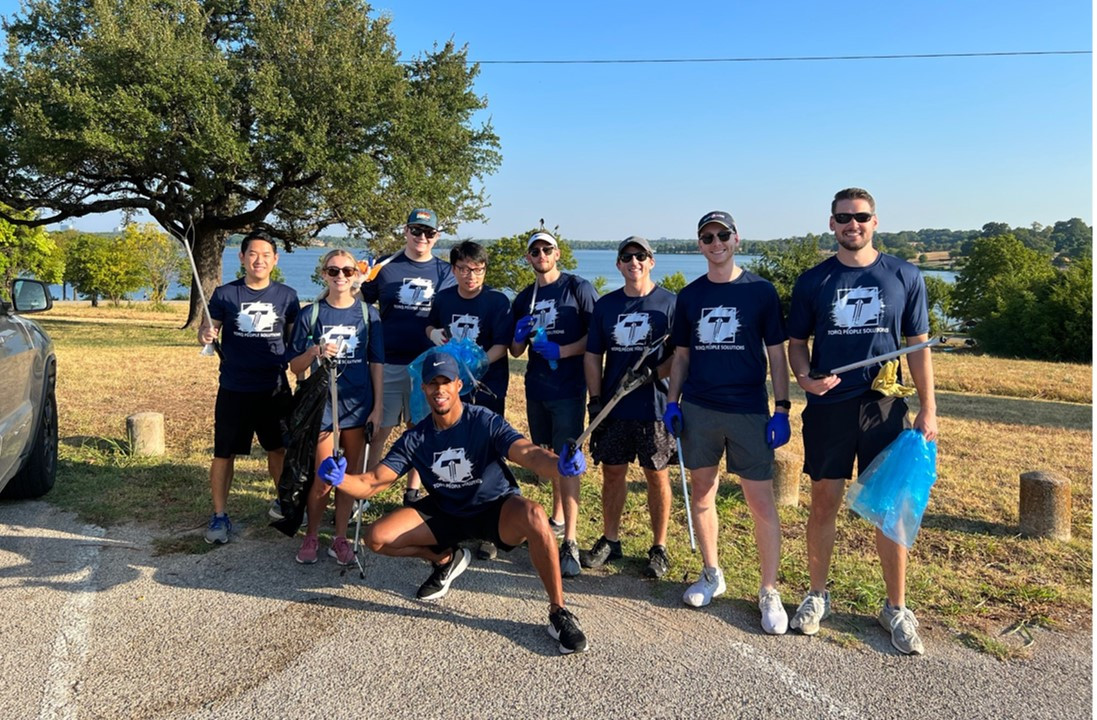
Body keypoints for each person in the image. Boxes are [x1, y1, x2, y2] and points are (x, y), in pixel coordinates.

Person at [315, 351, 591, 654]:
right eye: (432, 383)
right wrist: (340, 479)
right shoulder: (416, 438)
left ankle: (558, 612)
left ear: (459, 385)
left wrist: (559, 464)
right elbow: (372, 482)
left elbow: (528, 454)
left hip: (493, 507)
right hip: (446, 509)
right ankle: (446, 559)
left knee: (536, 515)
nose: (439, 389)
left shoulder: (483, 420)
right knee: (376, 538)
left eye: (446, 381)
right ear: (423, 389)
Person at [786, 187, 937, 655]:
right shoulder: (814, 281)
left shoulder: (904, 275)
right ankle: (816, 595)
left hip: (885, 408)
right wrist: (805, 379)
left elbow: (919, 346)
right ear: (831, 224)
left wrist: (930, 409)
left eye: (862, 217)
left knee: (890, 510)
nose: (853, 225)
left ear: (875, 221)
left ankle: (895, 607)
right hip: (829, 408)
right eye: (844, 218)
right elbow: (796, 343)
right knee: (824, 501)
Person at [662, 211, 792, 635]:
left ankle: (768, 590)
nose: (715, 242)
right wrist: (672, 401)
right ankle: (712, 573)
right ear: (699, 245)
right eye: (707, 237)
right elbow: (681, 355)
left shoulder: (760, 291)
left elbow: (776, 352)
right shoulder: (690, 296)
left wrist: (783, 407)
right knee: (702, 492)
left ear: (737, 239)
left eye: (722, 235)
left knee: (760, 502)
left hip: (749, 410)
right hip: (699, 407)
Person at [581, 236, 677, 578]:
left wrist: (654, 373)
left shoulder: (669, 304)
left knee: (657, 476)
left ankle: (659, 547)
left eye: (641, 256)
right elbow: (593, 356)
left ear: (651, 261)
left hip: (654, 406)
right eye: (627, 257)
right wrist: (595, 401)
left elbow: (680, 355)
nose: (634, 262)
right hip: (614, 408)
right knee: (612, 473)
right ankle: (611, 539)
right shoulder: (606, 307)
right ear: (618, 265)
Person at [199, 229, 300, 544]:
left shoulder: (287, 296)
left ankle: (283, 503)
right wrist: (205, 334)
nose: (259, 259)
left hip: (274, 387)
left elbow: (293, 340)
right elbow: (208, 330)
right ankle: (219, 516)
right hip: (234, 387)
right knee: (224, 453)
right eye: (253, 254)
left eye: (266, 255)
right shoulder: (225, 295)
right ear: (242, 257)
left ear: (275, 260)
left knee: (279, 449)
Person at [509, 230, 598, 578]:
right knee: (547, 456)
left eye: (547, 249)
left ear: (557, 253)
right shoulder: (524, 298)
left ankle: (571, 542)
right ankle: (558, 518)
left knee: (569, 459)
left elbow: (597, 337)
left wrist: (563, 350)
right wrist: (518, 337)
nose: (541, 255)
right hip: (537, 387)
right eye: (535, 251)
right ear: (529, 258)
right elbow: (516, 351)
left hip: (570, 387)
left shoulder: (578, 288)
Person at [288, 250, 384, 565]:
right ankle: (313, 534)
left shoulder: (369, 314)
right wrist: (315, 350)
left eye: (347, 270)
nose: (340, 276)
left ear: (357, 273)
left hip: (358, 406)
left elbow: (377, 363)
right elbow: (294, 365)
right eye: (333, 270)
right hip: (323, 406)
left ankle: (340, 538)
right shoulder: (310, 314)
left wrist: (378, 407)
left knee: (350, 476)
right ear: (324, 274)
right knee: (325, 474)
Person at [360, 209, 455, 506]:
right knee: (378, 430)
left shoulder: (445, 272)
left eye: (429, 233)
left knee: (421, 429)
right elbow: (359, 300)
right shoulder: (385, 266)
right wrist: (356, 280)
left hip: (426, 365)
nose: (422, 238)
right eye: (417, 230)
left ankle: (413, 490)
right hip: (387, 361)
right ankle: (365, 490)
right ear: (406, 231)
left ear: (436, 236)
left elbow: (450, 314)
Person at [426, 240, 513, 560]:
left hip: (487, 387)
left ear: (484, 270)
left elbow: (502, 345)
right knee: (454, 449)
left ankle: (491, 528)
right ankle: (455, 518)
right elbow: (431, 326)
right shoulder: (445, 297)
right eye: (463, 268)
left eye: (477, 269)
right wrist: (433, 333)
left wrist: (477, 365)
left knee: (489, 452)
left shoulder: (497, 301)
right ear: (454, 270)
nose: (470, 275)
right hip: (452, 389)